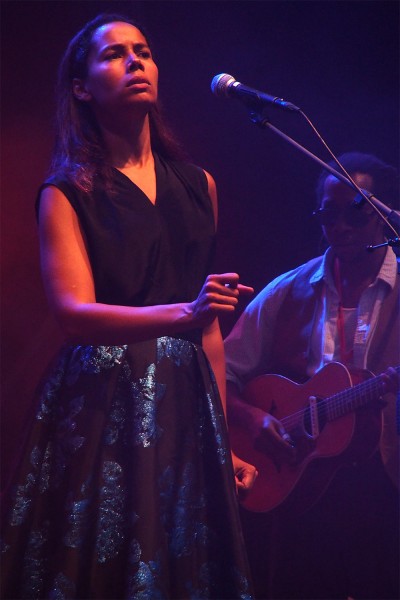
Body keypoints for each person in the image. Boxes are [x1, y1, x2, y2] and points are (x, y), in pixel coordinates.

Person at [1, 13, 258, 599]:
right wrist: (182, 315)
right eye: (114, 54)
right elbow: (73, 315)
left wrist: (223, 437)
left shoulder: (200, 185)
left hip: (185, 398)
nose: (135, 61)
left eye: (142, 50)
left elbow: (209, 326)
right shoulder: (68, 191)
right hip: (105, 402)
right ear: (81, 86)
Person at [224, 152, 399, 600]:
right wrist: (249, 419)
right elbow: (217, 374)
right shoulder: (287, 290)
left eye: (354, 215)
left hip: (388, 486)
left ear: (385, 215)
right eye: (328, 215)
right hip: (303, 489)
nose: (339, 227)